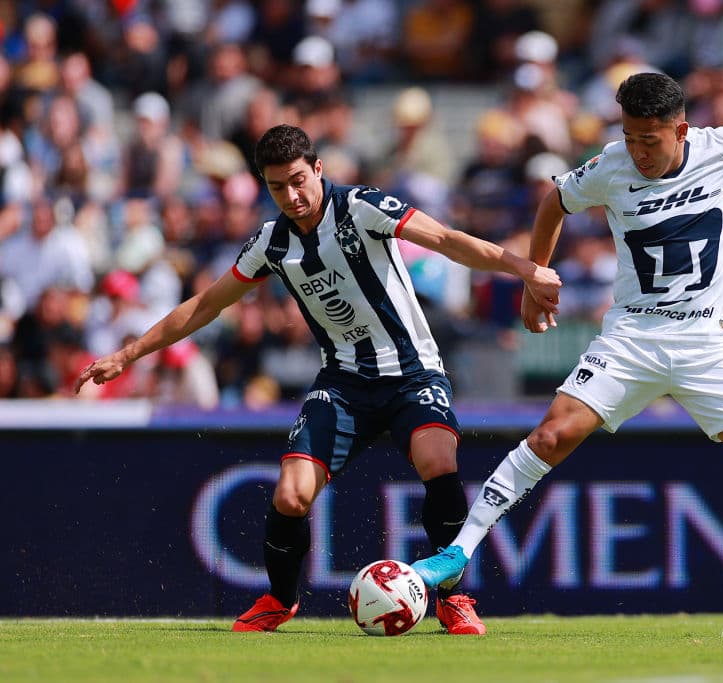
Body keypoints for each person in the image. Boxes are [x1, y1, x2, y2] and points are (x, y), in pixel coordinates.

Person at [412, 72, 723, 635]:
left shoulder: (720, 147)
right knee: (550, 436)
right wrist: (535, 278)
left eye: (649, 139)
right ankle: (458, 554)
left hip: (707, 342)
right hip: (633, 338)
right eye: (629, 137)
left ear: (680, 130)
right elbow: (553, 203)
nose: (637, 151)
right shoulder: (609, 167)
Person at [74, 124, 562, 636]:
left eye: (298, 181)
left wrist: (526, 269)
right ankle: (280, 600)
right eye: (277, 187)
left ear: (318, 169)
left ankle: (453, 598)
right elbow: (205, 305)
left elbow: (444, 240)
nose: (291, 196)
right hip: (343, 383)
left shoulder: (361, 208)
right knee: (290, 495)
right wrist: (127, 354)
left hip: (412, 373)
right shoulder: (271, 243)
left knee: (438, 461)